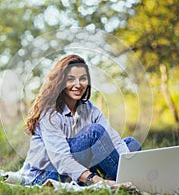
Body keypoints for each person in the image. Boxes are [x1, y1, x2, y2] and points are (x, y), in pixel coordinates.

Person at [20, 54, 141, 186]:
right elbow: (62, 159)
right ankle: (132, 181)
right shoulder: (50, 113)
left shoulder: (89, 108)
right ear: (60, 82)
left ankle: (125, 179)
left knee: (131, 144)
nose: (78, 85)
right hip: (44, 174)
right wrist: (95, 179)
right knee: (94, 132)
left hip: (77, 168)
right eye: (71, 79)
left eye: (82, 79)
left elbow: (114, 141)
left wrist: (126, 164)